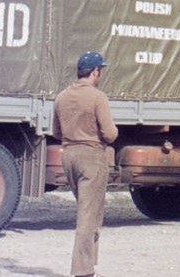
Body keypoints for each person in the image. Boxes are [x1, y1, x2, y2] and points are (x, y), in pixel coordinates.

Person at [54, 51, 119, 277]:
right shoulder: (97, 97)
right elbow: (110, 134)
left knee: (89, 211)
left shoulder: (61, 97)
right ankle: (84, 271)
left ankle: (89, 264)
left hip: (69, 155)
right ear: (95, 72)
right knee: (88, 216)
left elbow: (55, 131)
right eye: (100, 71)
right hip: (91, 157)